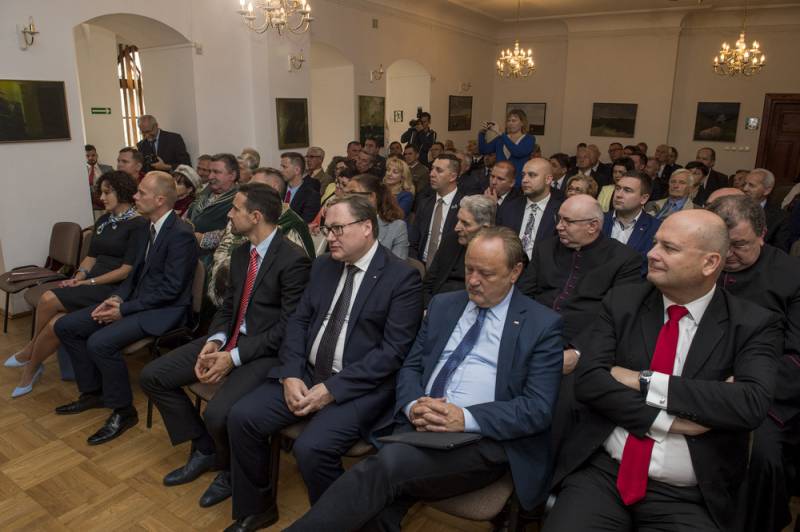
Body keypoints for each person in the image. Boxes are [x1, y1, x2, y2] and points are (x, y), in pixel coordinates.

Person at [285, 227, 564, 532]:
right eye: (469, 269)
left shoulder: (541, 325)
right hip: (418, 426)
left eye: (486, 273)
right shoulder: (445, 305)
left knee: (385, 468)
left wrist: (464, 418)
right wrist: (413, 404)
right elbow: (411, 366)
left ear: (515, 272)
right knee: (378, 504)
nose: (473, 280)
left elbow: (537, 408)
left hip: (481, 440)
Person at [544, 209, 782, 532]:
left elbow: (749, 403)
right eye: (656, 243)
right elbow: (588, 381)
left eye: (669, 248)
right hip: (604, 475)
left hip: (689, 495)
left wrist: (643, 380)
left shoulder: (752, 324)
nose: (651, 254)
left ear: (710, 263)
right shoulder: (623, 302)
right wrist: (673, 421)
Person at [223, 195, 423, 531]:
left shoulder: (401, 278)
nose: (329, 237)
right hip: (306, 372)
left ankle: (340, 523)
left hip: (357, 386)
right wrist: (290, 374)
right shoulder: (323, 266)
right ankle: (257, 508)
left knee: (312, 449)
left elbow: (392, 353)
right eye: (327, 229)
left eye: (337, 229)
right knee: (242, 417)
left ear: (367, 227)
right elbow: (298, 322)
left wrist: (331, 389)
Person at [140, 183, 311, 509]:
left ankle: (232, 471)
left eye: (235, 209)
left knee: (218, 414)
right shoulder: (242, 252)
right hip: (229, 339)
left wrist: (232, 357)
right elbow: (230, 306)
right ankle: (206, 448)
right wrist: (215, 340)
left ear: (255, 216)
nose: (229, 214)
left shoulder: (294, 260)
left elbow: (288, 328)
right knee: (153, 376)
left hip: (264, 351)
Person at [53, 172, 198, 445]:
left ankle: (124, 411)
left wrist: (125, 309)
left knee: (100, 342)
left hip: (164, 311)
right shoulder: (147, 227)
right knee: (66, 326)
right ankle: (94, 392)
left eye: (141, 193)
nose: (134, 196)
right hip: (138, 303)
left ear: (160, 200)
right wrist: (117, 298)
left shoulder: (181, 235)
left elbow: (171, 291)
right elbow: (133, 275)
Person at [5, 172, 146, 396]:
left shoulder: (138, 224)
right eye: (101, 192)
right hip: (91, 283)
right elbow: (91, 257)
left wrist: (88, 282)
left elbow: (125, 271)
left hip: (114, 289)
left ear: (122, 192)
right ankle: (32, 369)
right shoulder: (104, 220)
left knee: (48, 298)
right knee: (55, 323)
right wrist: (78, 277)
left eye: (107, 192)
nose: (102, 197)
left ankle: (30, 351)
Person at [706, 195, 800, 532]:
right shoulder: (699, 261)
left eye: (740, 245)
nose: (728, 255)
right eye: (722, 245)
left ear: (761, 235)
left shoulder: (792, 276)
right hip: (693, 379)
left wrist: (748, 386)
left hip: (765, 391)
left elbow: (797, 355)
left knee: (761, 455)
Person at [518, 194, 642, 361]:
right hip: (531, 333)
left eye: (567, 221)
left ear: (592, 226)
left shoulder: (624, 259)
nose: (559, 226)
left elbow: (617, 315)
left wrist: (578, 351)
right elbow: (523, 294)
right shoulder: (546, 248)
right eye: (559, 219)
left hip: (581, 346)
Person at [206, 167, 316, 307]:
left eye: (256, 185)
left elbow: (296, 289)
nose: (250, 190)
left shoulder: (292, 225)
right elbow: (222, 249)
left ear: (273, 189)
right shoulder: (240, 220)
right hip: (224, 300)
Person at [423, 195, 495, 307]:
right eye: (458, 220)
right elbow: (428, 284)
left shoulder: (498, 254)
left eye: (465, 223)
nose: (457, 228)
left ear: (485, 228)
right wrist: (428, 308)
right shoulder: (450, 241)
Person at [496, 158, 561, 260]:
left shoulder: (560, 211)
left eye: (532, 175)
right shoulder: (508, 207)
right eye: (523, 175)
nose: (524, 180)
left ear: (548, 180)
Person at [409, 153, 465, 266]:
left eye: (439, 170)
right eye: (432, 169)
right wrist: (417, 267)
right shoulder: (425, 203)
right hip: (421, 266)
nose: (431, 174)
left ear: (453, 177)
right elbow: (413, 241)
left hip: (448, 269)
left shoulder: (464, 205)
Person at [346, 174, 409, 259]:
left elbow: (399, 265)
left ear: (371, 197)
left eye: (353, 193)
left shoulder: (396, 227)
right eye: (346, 194)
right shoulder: (342, 223)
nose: (346, 198)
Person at [602, 171, 660, 260]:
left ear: (644, 199)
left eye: (627, 190)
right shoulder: (598, 220)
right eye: (617, 188)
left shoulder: (656, 228)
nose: (618, 195)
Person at [187, 153, 240, 239]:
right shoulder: (205, 191)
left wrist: (202, 238)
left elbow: (235, 234)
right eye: (210, 171)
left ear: (232, 175)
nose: (210, 176)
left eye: (216, 172)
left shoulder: (238, 200)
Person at [478, 109, 535, 186]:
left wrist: (501, 133)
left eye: (514, 121)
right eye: (508, 121)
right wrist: (482, 133)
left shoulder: (529, 138)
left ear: (522, 123)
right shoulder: (501, 139)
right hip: (499, 182)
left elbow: (518, 152)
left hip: (518, 182)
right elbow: (483, 150)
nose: (510, 123)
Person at [743, 168, 791, 252]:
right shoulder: (732, 207)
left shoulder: (781, 218)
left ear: (767, 190)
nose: (745, 188)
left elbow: (778, 252)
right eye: (745, 184)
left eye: (751, 185)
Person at [281, 151, 321, 224]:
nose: (281, 171)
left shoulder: (311, 196)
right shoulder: (279, 189)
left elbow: (304, 225)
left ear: (297, 170)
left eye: (284, 167)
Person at [86, 144, 113, 210]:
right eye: (87, 156)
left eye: (93, 155)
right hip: (88, 206)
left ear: (97, 155)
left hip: (106, 204)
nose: (90, 158)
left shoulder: (108, 169)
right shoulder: (80, 172)